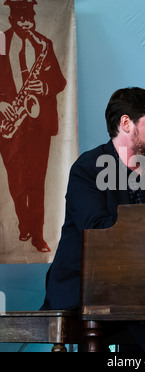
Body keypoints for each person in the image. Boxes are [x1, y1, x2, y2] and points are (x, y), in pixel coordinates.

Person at [41, 87, 145, 311]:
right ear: (126, 123)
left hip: (135, 287)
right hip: (86, 289)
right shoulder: (88, 168)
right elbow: (97, 231)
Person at [0, 0, 66, 252]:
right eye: (22, 20)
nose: (27, 25)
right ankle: (24, 224)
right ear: (12, 19)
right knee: (17, 183)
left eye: (31, 19)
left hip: (38, 124)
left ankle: (38, 235)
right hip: (9, 121)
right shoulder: (1, 41)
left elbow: (59, 81)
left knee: (37, 183)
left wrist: (45, 87)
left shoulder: (43, 44)